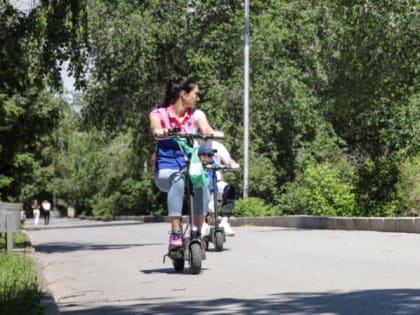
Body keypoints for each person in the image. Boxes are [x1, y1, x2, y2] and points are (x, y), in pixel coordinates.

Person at [149, 76, 223, 250]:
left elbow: (206, 129)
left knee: (202, 182)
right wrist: (167, 132)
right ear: (183, 94)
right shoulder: (158, 114)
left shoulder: (196, 115)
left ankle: (197, 231)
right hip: (166, 170)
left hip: (189, 167)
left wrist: (211, 133)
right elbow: (156, 130)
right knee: (178, 179)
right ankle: (176, 232)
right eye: (195, 94)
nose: (198, 98)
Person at [198, 141, 240, 236]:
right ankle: (202, 223)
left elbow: (223, 163)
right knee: (205, 204)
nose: (210, 157)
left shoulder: (214, 159)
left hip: (214, 187)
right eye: (207, 155)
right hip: (201, 187)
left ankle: (223, 222)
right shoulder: (198, 164)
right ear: (201, 157)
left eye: (211, 155)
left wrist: (230, 166)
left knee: (229, 190)